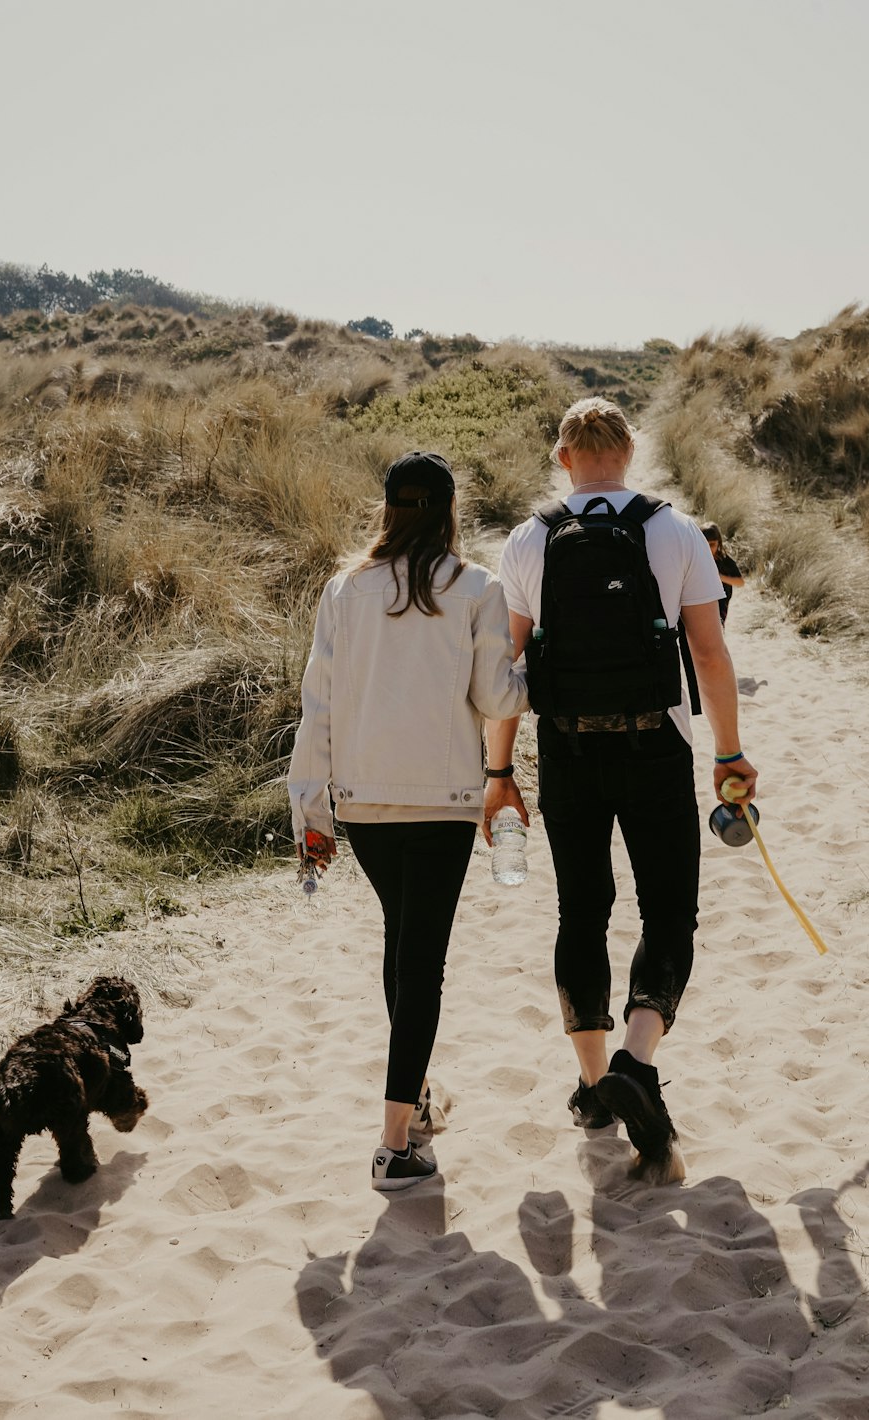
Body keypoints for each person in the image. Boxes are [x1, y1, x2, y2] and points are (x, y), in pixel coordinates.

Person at [484, 398, 758, 1173]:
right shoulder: (673, 531)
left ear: (562, 456)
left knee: (582, 910)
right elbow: (708, 656)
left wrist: (500, 775)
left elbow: (508, 678)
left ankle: (595, 1082)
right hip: (656, 747)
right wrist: (728, 755)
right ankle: (638, 1059)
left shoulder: (528, 538)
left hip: (568, 751)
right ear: (629, 452)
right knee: (669, 906)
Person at [288, 451, 530, 1191]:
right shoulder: (477, 589)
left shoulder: (344, 590)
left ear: (388, 510)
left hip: (363, 805)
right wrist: (530, 663)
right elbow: (499, 701)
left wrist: (311, 812)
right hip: (442, 803)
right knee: (422, 962)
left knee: (404, 945)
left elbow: (318, 706)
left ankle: (417, 1099)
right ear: (450, 511)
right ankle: (395, 1144)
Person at [701, 522, 745, 625]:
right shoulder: (696, 559)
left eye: (712, 545)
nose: (708, 548)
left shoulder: (725, 561)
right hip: (701, 601)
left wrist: (719, 577)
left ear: (719, 543)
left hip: (721, 602)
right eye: (704, 544)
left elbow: (740, 582)